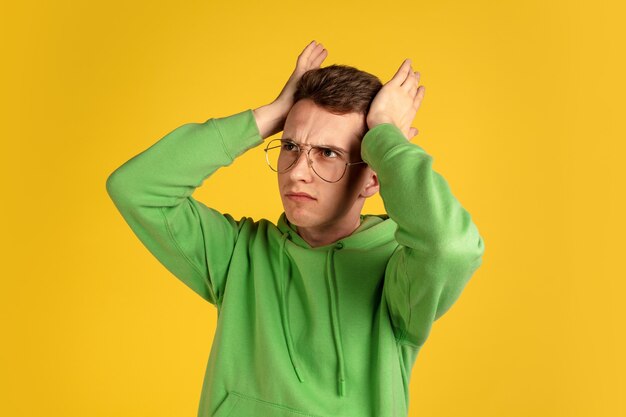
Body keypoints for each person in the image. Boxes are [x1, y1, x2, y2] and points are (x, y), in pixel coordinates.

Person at [106, 40, 485, 417]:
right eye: (290, 146)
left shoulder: (398, 275)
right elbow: (136, 188)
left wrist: (385, 135)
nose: (298, 172)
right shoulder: (239, 255)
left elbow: (452, 247)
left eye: (328, 153)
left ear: (373, 179)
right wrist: (273, 114)